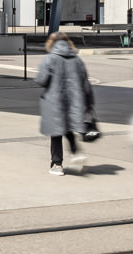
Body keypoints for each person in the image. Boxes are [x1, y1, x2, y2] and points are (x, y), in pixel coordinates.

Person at [37, 29, 92, 175]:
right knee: (67, 127)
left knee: (56, 132)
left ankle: (57, 164)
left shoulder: (50, 58)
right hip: (74, 101)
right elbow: (86, 84)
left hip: (54, 101)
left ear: (52, 42)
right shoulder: (77, 60)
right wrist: (88, 103)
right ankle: (76, 152)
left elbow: (41, 80)